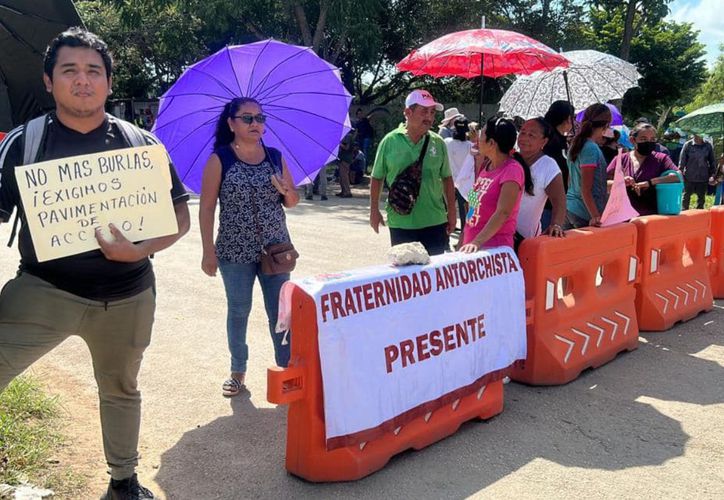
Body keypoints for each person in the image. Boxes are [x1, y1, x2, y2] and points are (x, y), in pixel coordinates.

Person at [0, 28, 190, 500]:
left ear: (108, 82)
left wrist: (140, 249)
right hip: (44, 289)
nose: (82, 81)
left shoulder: (141, 144)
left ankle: (123, 482)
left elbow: (179, 216)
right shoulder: (24, 144)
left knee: (121, 388)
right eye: (69, 71)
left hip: (127, 294)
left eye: (93, 72)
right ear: (49, 81)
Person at [199, 97, 299, 398]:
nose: (256, 123)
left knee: (280, 313)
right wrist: (208, 250)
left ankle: (288, 372)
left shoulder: (274, 156)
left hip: (276, 249)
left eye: (260, 118)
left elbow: (292, 201)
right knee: (239, 310)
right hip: (233, 251)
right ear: (231, 123)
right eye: (247, 118)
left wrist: (286, 190)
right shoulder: (220, 159)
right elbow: (206, 209)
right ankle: (237, 373)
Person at [370, 89, 456, 255]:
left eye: (432, 112)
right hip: (402, 222)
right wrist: (374, 210)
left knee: (435, 275)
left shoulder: (438, 142)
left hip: (435, 220)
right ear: (408, 112)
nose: (429, 117)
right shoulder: (389, 141)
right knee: (406, 274)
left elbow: (447, 178)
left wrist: (451, 212)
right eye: (424, 111)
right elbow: (377, 177)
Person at [459, 117, 532, 252]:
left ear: (491, 143)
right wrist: (464, 236)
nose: (477, 140)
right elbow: (473, 206)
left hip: (494, 251)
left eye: (481, 136)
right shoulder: (486, 167)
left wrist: (476, 242)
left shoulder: (512, 170)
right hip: (471, 248)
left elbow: (503, 212)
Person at [606, 122, 680, 216]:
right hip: (624, 218)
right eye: (643, 139)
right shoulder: (620, 159)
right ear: (632, 140)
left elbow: (677, 176)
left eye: (652, 139)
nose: (648, 142)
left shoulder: (661, 158)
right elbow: (604, 184)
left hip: (653, 217)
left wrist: (650, 182)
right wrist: (621, 182)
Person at [515, 118, 566, 240]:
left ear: (544, 141)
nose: (524, 138)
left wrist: (556, 224)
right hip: (499, 235)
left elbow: (559, 201)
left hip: (526, 239)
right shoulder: (508, 160)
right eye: (522, 132)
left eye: (531, 135)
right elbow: (474, 195)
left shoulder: (548, 165)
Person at [564, 103, 611, 229]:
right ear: (606, 125)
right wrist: (596, 216)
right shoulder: (590, 148)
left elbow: (571, 181)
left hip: (570, 208)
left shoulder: (577, 144)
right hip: (583, 214)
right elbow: (586, 189)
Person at [541, 100, 574, 230]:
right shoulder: (550, 141)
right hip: (547, 204)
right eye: (573, 118)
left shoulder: (561, 140)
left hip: (557, 202)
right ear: (567, 119)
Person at [443, 116, 474, 231]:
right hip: (466, 184)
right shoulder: (470, 146)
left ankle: (445, 233)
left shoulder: (446, 142)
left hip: (448, 181)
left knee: (446, 209)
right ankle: (465, 234)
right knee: (466, 212)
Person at [679, 134, 716, 209]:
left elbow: (712, 161)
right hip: (689, 176)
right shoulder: (688, 145)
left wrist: (713, 174)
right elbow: (682, 161)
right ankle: (684, 216)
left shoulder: (708, 146)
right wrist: (680, 172)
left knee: (701, 199)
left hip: (703, 176)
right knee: (686, 198)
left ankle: (700, 216)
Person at [335, 129, 358, 198]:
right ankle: (343, 191)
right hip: (343, 158)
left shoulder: (348, 136)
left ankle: (347, 192)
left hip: (346, 158)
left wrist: (339, 144)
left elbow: (347, 148)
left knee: (344, 175)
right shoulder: (348, 136)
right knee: (341, 176)